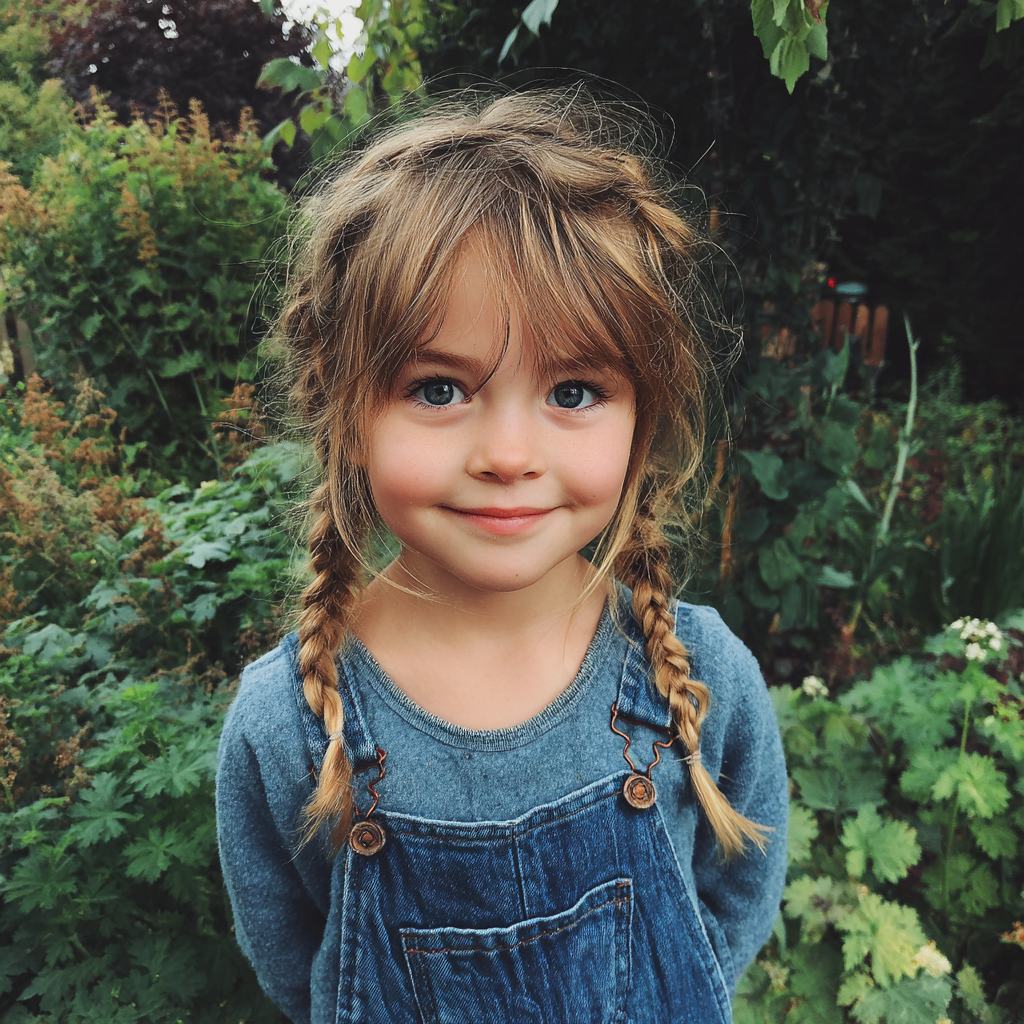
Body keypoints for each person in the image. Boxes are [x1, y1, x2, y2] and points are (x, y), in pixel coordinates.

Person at [215, 88, 788, 1024]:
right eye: (438, 387)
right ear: (343, 411)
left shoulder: (700, 673)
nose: (509, 454)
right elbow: (291, 952)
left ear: (643, 410)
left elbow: (739, 886)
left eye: (573, 389)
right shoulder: (287, 727)